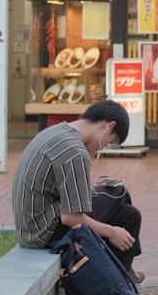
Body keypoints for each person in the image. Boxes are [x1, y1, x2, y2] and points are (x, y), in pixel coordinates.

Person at [12, 100, 145, 283]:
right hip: (44, 234)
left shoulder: (56, 132)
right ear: (108, 126)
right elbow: (71, 219)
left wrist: (88, 187)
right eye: (109, 142)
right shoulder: (75, 152)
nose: (103, 148)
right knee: (119, 194)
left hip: (31, 228)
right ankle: (120, 281)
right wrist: (112, 232)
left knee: (127, 212)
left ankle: (122, 275)